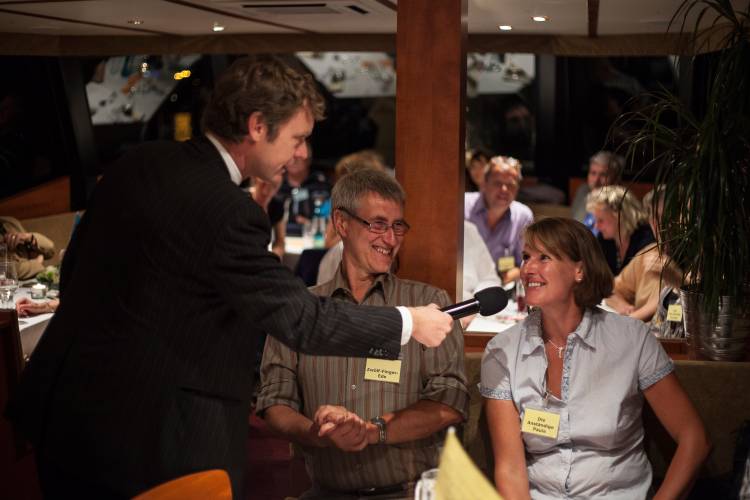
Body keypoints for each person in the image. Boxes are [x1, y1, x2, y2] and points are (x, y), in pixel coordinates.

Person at [6, 55, 454, 500]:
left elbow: (76, 269)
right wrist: (409, 322)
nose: (302, 153)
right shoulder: (226, 210)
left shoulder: (140, 162)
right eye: (297, 138)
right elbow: (302, 318)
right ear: (257, 126)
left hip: (65, 416)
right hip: (151, 442)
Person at [257, 169, 469, 499]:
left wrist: (373, 431)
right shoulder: (302, 311)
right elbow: (274, 401)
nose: (391, 239)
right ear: (341, 223)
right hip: (325, 493)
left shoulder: (428, 306)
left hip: (406, 494)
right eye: (378, 224)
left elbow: (450, 401)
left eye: (398, 226)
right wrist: (318, 433)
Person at [481, 217, 710, 500]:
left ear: (579, 270)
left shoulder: (631, 340)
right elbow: (510, 470)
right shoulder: (503, 351)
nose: (527, 268)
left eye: (544, 257)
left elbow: (694, 439)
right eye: (526, 256)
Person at [605, 189, 681, 322]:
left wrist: (677, 279)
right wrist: (624, 307)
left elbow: (696, 303)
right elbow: (610, 289)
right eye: (654, 218)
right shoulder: (648, 253)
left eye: (666, 217)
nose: (659, 224)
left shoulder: (698, 261)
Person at [465, 156, 533, 284]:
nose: (504, 189)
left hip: (501, 288)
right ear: (484, 183)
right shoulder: (462, 206)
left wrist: (499, 280)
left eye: (511, 184)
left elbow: (526, 263)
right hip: (463, 284)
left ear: (517, 188)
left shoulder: (523, 216)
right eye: (497, 183)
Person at [586, 185, 655, 275]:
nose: (596, 226)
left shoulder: (646, 241)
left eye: (601, 220)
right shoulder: (604, 239)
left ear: (620, 216)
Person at [570, 151, 623, 227]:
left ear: (615, 179)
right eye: (593, 173)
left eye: (603, 175)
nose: (596, 180)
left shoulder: (619, 200)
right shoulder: (583, 191)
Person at [0, 215, 55, 280]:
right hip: (14, 283)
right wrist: (37, 262)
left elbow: (50, 250)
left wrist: (30, 238)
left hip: (34, 281)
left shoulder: (9, 222)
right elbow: (11, 271)